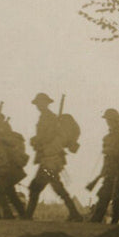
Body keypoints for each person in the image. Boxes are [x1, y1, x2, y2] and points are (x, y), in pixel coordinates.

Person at [24, 93, 83, 221]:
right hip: (48, 158)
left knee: (37, 187)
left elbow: (48, 136)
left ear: (46, 103)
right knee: (55, 187)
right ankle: (74, 213)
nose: (39, 105)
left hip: (50, 158)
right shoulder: (45, 117)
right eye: (38, 103)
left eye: (41, 102)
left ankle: (27, 216)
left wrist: (36, 140)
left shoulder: (49, 117)